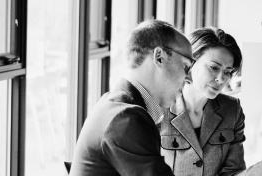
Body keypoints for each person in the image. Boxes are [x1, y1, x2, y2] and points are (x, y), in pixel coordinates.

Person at [158, 27, 262, 176]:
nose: (221, 79)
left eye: (228, 72)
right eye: (213, 67)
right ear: (189, 63)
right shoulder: (158, 107)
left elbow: (232, 173)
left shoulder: (231, 110)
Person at [69, 20, 194, 176]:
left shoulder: (114, 104)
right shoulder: (127, 118)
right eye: (186, 66)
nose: (190, 79)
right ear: (159, 57)